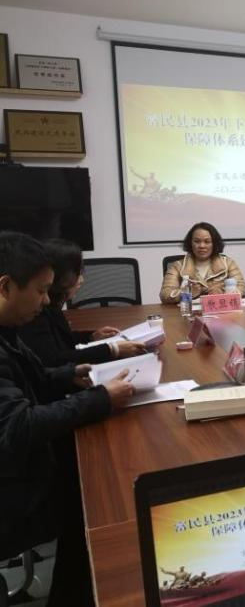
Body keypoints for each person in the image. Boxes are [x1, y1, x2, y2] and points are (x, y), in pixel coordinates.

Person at [0, 232, 136, 606]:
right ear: (6, 286)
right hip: (14, 488)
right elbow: (17, 426)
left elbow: (32, 375)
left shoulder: (8, 329)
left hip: (22, 463)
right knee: (96, 495)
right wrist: (100, 398)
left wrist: (67, 375)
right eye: (41, 291)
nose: (47, 301)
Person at [19, 239, 146, 367]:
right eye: (77, 273)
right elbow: (56, 360)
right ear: (61, 277)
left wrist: (91, 337)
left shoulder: (52, 304)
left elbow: (61, 340)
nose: (81, 279)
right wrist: (112, 349)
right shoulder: (35, 311)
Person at [160, 222, 245, 303]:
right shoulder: (177, 266)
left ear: (214, 243)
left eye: (207, 242)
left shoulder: (227, 263)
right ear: (190, 243)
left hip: (218, 310)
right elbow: (165, 295)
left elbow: (241, 287)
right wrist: (188, 292)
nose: (202, 246)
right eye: (197, 241)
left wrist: (223, 292)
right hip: (188, 311)